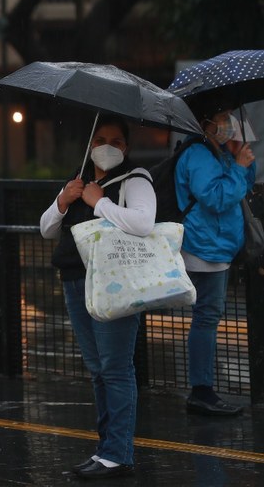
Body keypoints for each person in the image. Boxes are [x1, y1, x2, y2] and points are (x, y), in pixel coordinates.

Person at [39, 115, 156, 479]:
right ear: (90, 143)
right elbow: (45, 229)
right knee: (98, 370)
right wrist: (64, 199)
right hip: (76, 282)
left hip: (113, 284)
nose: (108, 146)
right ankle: (107, 447)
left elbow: (143, 222)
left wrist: (99, 202)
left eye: (117, 141)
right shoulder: (78, 179)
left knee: (116, 368)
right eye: (101, 139)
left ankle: (117, 453)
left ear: (127, 146)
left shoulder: (136, 178)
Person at [175, 97, 256, 416]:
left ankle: (202, 389)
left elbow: (241, 187)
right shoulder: (197, 153)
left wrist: (241, 160)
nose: (228, 123)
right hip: (202, 246)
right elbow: (217, 198)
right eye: (222, 117)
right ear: (206, 121)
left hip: (215, 246)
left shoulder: (216, 152)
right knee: (206, 317)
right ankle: (201, 390)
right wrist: (238, 168)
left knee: (207, 317)